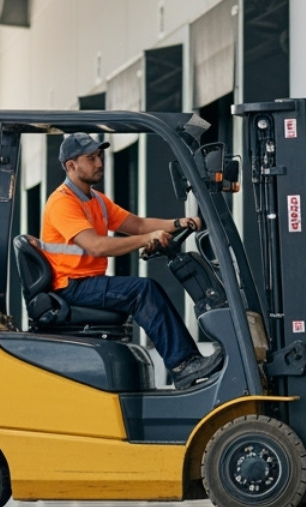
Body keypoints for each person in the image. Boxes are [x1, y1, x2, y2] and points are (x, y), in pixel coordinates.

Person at [38, 132, 224, 387]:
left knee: (145, 289)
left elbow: (137, 224)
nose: (99, 163)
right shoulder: (62, 203)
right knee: (143, 291)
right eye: (91, 158)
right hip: (71, 287)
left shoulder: (96, 200)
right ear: (71, 166)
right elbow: (97, 246)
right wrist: (147, 239)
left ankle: (187, 362)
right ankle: (183, 364)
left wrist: (179, 223)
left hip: (88, 282)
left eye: (99, 156)